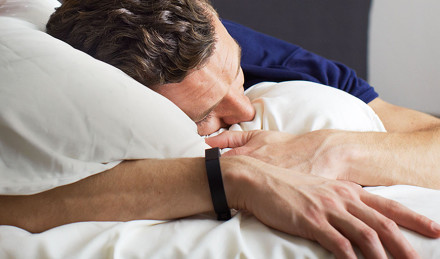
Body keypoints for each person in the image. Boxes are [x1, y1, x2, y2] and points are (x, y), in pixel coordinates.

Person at [1, 0, 439, 258]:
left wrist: (334, 150)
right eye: (203, 114)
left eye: (235, 74)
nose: (246, 111)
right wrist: (234, 178)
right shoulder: (83, 99)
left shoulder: (251, 53)